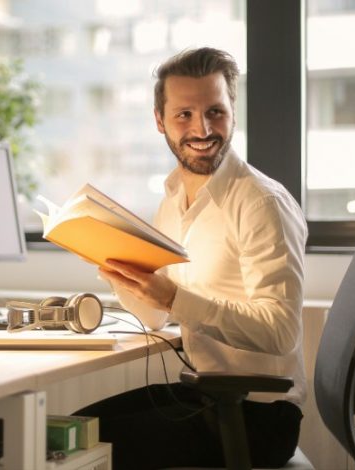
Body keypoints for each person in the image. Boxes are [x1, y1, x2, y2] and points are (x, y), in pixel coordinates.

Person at [74, 47, 308, 469]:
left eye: (215, 111)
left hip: (258, 416)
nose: (202, 128)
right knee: (72, 429)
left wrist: (173, 297)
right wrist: (117, 271)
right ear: (159, 121)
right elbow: (155, 318)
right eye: (184, 114)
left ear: (233, 111)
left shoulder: (261, 202)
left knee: (75, 450)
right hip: (207, 395)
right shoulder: (173, 200)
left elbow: (280, 331)